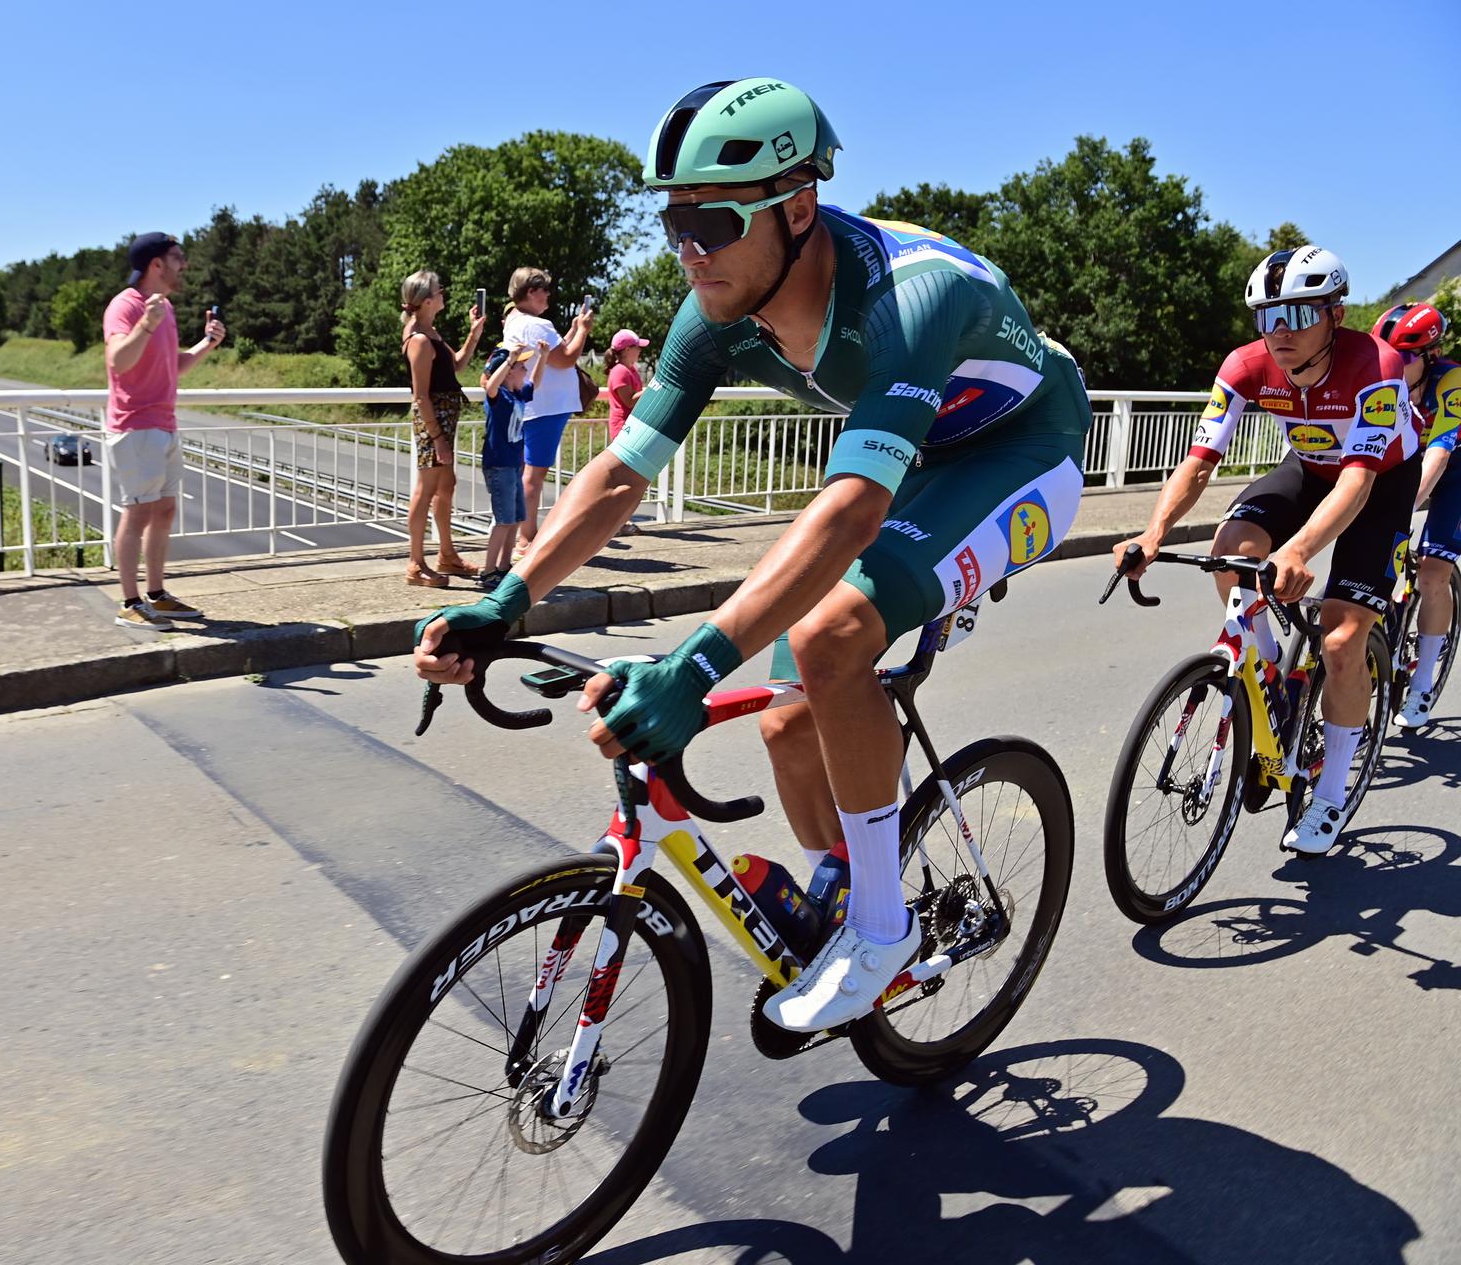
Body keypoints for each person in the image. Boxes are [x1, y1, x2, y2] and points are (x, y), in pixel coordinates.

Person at [414, 77, 1093, 1034]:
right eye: (675, 224)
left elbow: (851, 512)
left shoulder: (909, 299)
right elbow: (620, 473)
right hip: (921, 457)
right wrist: (506, 598)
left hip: (1024, 449)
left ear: (798, 207)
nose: (690, 251)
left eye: (714, 223)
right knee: (784, 721)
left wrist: (693, 668)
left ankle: (883, 929)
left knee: (831, 636)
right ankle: (847, 884)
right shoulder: (715, 314)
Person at [1115, 246, 1415, 851]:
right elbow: (1200, 461)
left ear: (1335, 314)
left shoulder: (1375, 364)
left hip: (1379, 482)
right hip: (1309, 468)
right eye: (1267, 317)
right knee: (1232, 549)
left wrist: (1298, 550)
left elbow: (1357, 483)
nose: (1280, 331)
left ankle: (1331, 793)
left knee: (1341, 640)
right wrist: (1153, 533)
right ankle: (1273, 674)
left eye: (1298, 315)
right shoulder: (1245, 365)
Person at [102, 231, 224, 630]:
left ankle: (156, 595)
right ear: (156, 264)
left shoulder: (164, 308)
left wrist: (207, 344)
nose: (183, 264)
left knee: (165, 510)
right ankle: (129, 602)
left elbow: (175, 365)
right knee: (138, 512)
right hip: (135, 426)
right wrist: (145, 325)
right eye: (177, 257)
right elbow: (119, 360)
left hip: (164, 424)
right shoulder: (126, 305)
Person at [1376, 303, 1461, 727]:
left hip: (1456, 469)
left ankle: (1423, 681)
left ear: (1431, 355)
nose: (1392, 365)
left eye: (1403, 357)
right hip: (1413, 462)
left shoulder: (1452, 381)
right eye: (1385, 356)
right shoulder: (1384, 381)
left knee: (1431, 572)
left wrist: (1402, 508)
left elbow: (1440, 454)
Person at [400, 270, 485, 587]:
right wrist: (437, 438)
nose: (443, 294)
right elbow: (421, 396)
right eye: (439, 290)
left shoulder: (430, 332)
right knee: (425, 490)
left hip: (443, 421)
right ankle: (415, 564)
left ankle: (447, 555)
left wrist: (474, 333)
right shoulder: (419, 340)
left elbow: (458, 364)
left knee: (446, 485)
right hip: (433, 423)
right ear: (426, 300)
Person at [501, 268, 594, 556]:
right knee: (534, 474)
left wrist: (573, 330)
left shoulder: (515, 322)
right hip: (547, 407)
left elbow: (553, 350)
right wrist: (583, 331)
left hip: (528, 405)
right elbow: (565, 358)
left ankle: (521, 534)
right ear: (531, 292)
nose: (548, 295)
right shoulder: (538, 324)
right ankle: (526, 539)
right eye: (544, 290)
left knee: (526, 471)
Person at [478, 342, 547, 589]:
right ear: (508, 372)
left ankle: (504, 565)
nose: (525, 370)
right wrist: (509, 359)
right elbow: (491, 386)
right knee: (504, 519)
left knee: (516, 517)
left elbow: (535, 383)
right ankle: (488, 571)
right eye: (521, 367)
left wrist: (544, 356)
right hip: (499, 466)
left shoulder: (517, 394)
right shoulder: (499, 397)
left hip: (513, 465)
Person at [604, 327, 651, 440]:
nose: (640, 350)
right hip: (623, 428)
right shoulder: (620, 371)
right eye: (637, 347)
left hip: (631, 426)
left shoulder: (631, 369)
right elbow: (629, 402)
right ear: (627, 350)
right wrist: (652, 388)